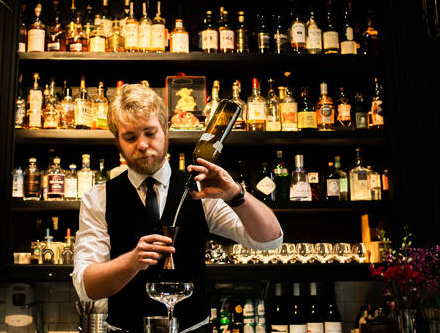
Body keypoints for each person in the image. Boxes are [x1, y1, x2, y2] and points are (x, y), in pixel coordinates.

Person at [73, 83, 283, 332]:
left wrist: (236, 195)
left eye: (150, 133)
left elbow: (270, 240)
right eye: (130, 137)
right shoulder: (98, 198)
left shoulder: (201, 190)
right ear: (118, 142)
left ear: (166, 130)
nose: (142, 144)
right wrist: (132, 262)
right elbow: (87, 288)